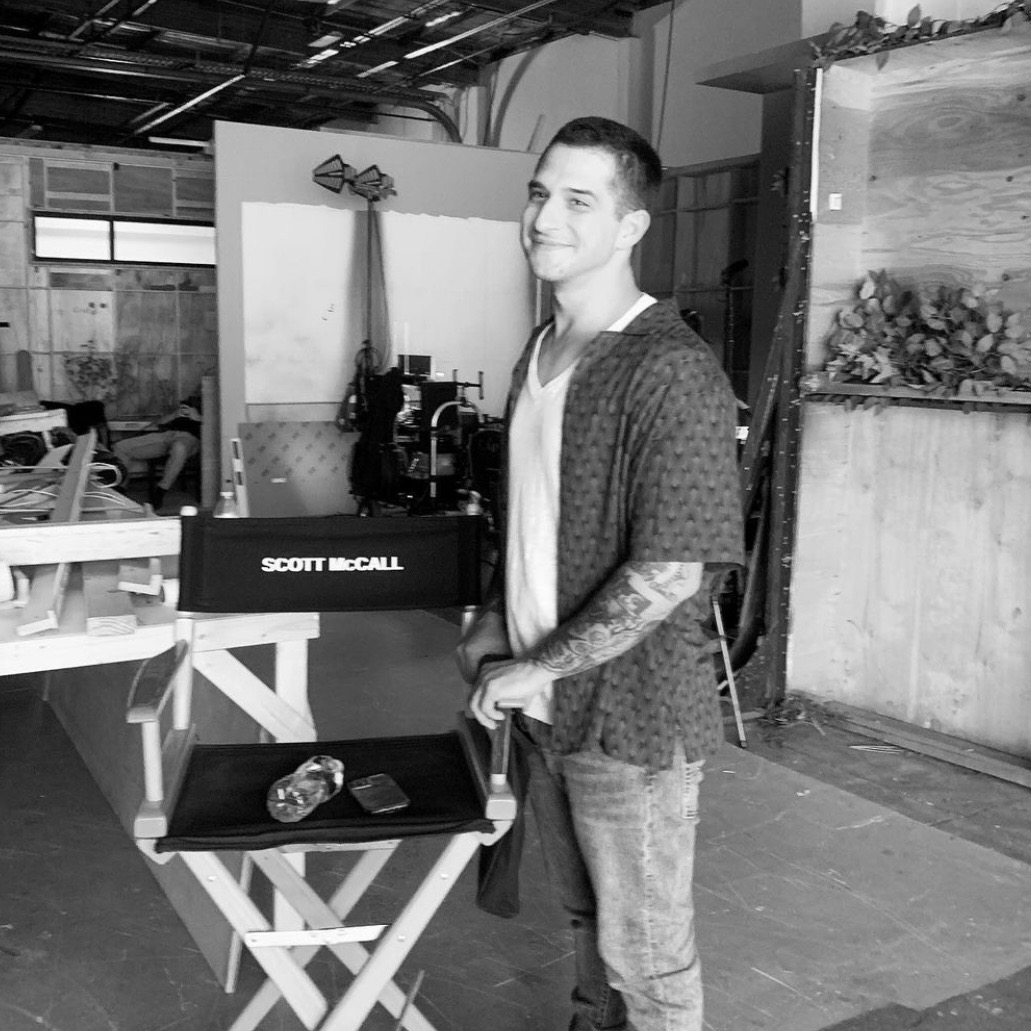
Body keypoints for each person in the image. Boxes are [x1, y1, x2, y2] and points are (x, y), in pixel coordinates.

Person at [457, 116, 743, 1031]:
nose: (545, 217)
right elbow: (532, 515)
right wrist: (497, 616)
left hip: (631, 717)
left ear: (630, 226)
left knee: (646, 955)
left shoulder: (670, 369)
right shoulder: (537, 354)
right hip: (544, 703)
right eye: (540, 193)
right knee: (585, 920)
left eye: (578, 200)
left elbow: (668, 570)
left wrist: (537, 664)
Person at [113, 395, 202, 510]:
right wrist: (174, 414)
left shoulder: (209, 405)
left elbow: (217, 426)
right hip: (167, 435)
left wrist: (198, 417)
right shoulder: (184, 406)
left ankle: (161, 490)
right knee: (120, 447)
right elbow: (158, 423)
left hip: (189, 438)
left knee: (179, 448)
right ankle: (121, 488)